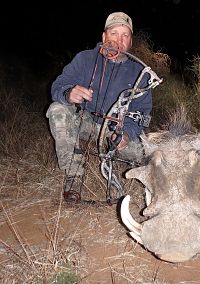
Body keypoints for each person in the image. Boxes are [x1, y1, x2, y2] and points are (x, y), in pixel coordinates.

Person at [46, 12, 152, 203]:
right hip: (85, 122)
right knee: (57, 110)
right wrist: (68, 93)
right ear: (104, 37)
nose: (119, 40)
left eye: (125, 35)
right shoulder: (84, 59)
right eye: (114, 33)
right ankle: (74, 175)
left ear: (130, 42)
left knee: (151, 155)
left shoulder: (140, 73)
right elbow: (58, 85)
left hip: (115, 132)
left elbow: (143, 112)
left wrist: (126, 133)